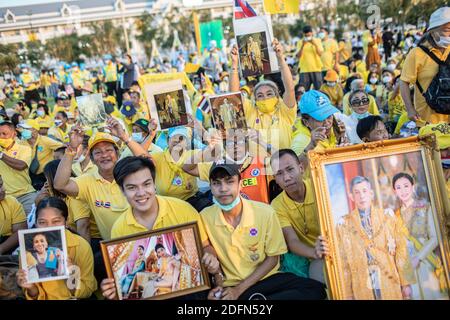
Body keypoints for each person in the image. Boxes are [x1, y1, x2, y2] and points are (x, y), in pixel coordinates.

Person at [100, 156, 220, 300]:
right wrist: (115, 289)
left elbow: (205, 246)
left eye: (146, 184)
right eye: (132, 187)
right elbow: (127, 276)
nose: (141, 193)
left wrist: (211, 258)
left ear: (154, 184)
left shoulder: (183, 210)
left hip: (190, 291)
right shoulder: (120, 228)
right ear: (122, 190)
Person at [202, 163, 326, 300]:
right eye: (216, 183)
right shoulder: (204, 217)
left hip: (267, 279)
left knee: (315, 290)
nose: (223, 189)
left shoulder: (265, 212)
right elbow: (211, 258)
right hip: (232, 284)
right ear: (211, 187)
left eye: (230, 182)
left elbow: (273, 259)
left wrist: (238, 290)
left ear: (240, 184)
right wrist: (220, 285)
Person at [334, 176, 414, 300]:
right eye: (357, 192)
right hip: (362, 283)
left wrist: (406, 282)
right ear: (351, 196)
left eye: (365, 191)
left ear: (371, 193)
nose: (362, 196)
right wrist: (347, 294)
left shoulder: (387, 216)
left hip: (389, 278)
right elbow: (343, 261)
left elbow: (401, 250)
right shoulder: (343, 224)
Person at [16, 197, 97, 300]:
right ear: (35, 223)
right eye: (42, 222)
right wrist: (30, 287)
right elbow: (33, 295)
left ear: (66, 222)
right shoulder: (27, 253)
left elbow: (87, 291)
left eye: (56, 221)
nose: (49, 227)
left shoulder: (81, 246)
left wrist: (71, 274)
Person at [270, 149, 328, 283]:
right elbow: (292, 241)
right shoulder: (276, 205)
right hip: (313, 256)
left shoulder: (320, 187)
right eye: (279, 174)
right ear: (275, 180)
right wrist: (315, 253)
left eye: (290, 169)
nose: (287, 178)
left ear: (301, 168)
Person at [230, 38, 297, 150]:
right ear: (254, 100)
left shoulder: (284, 111)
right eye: (260, 96)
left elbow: (290, 89)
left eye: (269, 94)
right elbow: (234, 95)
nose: (265, 97)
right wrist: (234, 63)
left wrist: (280, 59)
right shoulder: (251, 110)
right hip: (257, 166)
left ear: (277, 96)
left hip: (282, 165)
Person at [392, 172, 448, 300]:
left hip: (427, 263)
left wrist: (418, 257)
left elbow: (435, 238)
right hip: (408, 270)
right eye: (398, 187)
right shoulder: (394, 217)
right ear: (394, 191)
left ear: (413, 186)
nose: (403, 191)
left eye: (406, 186)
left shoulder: (426, 207)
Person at [400, 7, 450, 124]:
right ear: (432, 31)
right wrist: (410, 109)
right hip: (427, 121)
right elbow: (404, 82)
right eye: (447, 29)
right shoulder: (417, 53)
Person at [291, 90, 346, 155]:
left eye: (328, 115)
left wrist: (341, 138)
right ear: (306, 122)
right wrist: (311, 146)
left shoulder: (331, 130)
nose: (327, 122)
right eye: (319, 118)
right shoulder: (300, 141)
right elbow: (297, 165)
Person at [0, 121, 36, 215]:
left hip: (25, 195)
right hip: (4, 197)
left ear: (14, 134)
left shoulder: (24, 147)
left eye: (4, 134)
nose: (1, 136)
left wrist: (1, 155)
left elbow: (21, 165)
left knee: (30, 225)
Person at [18, 119, 64, 190]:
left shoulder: (45, 140)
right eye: (23, 128)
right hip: (31, 175)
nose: (23, 130)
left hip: (46, 175)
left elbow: (62, 146)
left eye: (26, 129)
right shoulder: (22, 143)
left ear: (34, 130)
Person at [0, 174, 27, 255]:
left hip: (8, 249)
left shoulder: (11, 201)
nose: (3, 190)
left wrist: (1, 249)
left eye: (1, 185)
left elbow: (20, 232)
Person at [297, 26, 324, 90]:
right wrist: (302, 45)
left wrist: (315, 44)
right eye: (306, 36)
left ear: (312, 33)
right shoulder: (300, 42)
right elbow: (298, 56)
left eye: (309, 35)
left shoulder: (317, 40)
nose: (307, 37)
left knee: (319, 89)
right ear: (303, 35)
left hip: (316, 68)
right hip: (304, 69)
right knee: (304, 90)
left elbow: (320, 54)